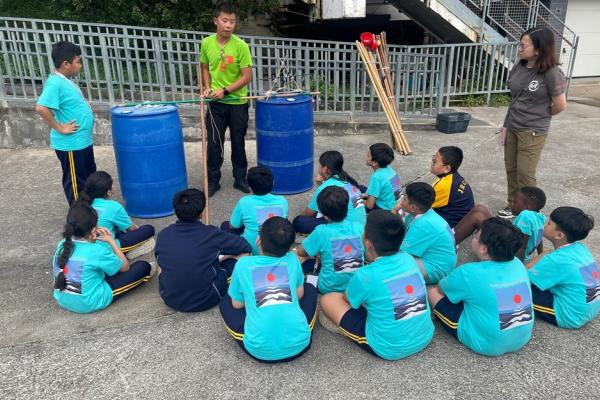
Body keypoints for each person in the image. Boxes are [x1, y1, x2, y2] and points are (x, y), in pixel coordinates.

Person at [319, 210, 434, 360]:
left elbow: (347, 299)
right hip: (425, 335)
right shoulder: (408, 259)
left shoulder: (366, 274)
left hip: (388, 346)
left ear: (368, 243)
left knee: (328, 299)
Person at [428, 218, 534, 356]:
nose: (473, 237)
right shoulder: (518, 264)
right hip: (522, 339)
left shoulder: (468, 272)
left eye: (476, 236)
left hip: (488, 344)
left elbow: (441, 290)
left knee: (432, 293)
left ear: (484, 249)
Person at [219, 217, 318, 363]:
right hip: (300, 343)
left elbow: (237, 305)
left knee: (225, 303)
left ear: (258, 240)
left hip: (259, 350)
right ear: (290, 247)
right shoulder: (293, 260)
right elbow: (299, 295)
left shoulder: (243, 264)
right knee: (309, 288)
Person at [498, 27, 567, 219]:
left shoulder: (552, 73)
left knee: (525, 172)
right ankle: (513, 205)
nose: (519, 49)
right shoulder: (519, 65)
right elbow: (514, 93)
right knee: (511, 168)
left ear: (538, 49)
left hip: (533, 130)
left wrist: (540, 116)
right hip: (512, 124)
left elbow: (560, 105)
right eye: (519, 45)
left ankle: (530, 212)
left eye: (523, 46)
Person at [155, 188, 251, 312]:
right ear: (201, 212)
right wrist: (227, 256)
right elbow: (245, 246)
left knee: (162, 264)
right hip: (206, 300)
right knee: (244, 256)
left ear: (175, 211)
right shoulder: (211, 234)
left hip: (169, 298)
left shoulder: (163, 235)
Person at [52, 203, 155, 313]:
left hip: (62, 299)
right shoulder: (97, 250)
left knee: (97, 269)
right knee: (143, 267)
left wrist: (91, 237)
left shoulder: (62, 245)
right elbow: (125, 267)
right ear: (93, 230)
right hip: (90, 302)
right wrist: (111, 241)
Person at [200, 2, 253, 197]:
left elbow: (247, 77)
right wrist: (207, 87)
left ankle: (240, 178)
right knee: (215, 143)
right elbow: (204, 67)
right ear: (216, 21)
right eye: (225, 20)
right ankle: (213, 181)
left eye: (232, 21)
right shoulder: (206, 43)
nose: (229, 25)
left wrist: (225, 90)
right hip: (215, 104)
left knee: (238, 142)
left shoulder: (241, 46)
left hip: (238, 103)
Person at [36, 41, 96, 205]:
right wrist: (60, 128)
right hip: (71, 144)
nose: (80, 66)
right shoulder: (54, 83)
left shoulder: (66, 81)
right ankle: (78, 214)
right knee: (76, 183)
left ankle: (89, 210)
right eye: (77, 62)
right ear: (66, 64)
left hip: (82, 142)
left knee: (88, 178)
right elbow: (41, 108)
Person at [527, 207, 599, 328]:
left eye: (549, 224)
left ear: (559, 235)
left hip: (570, 314)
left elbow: (522, 278)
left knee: (515, 293)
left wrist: (540, 257)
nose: (544, 225)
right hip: (591, 306)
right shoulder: (580, 248)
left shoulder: (555, 260)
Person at [295, 186, 365, 293]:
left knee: (303, 259)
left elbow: (301, 252)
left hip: (328, 286)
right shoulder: (358, 227)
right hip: (355, 284)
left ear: (325, 215)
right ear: (347, 207)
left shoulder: (321, 231)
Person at [79, 171, 155, 259]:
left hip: (85, 247)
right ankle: (125, 253)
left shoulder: (81, 204)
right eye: (112, 184)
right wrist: (138, 232)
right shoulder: (113, 206)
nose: (114, 186)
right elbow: (132, 229)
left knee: (117, 228)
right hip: (106, 248)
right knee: (149, 229)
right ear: (108, 192)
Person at [293, 151, 366, 234]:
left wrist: (300, 216)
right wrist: (320, 184)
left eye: (320, 165)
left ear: (325, 169)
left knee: (299, 221)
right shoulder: (348, 182)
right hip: (360, 225)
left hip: (344, 228)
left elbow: (309, 213)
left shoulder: (324, 187)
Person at [220, 166, 288, 255]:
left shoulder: (244, 202)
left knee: (225, 226)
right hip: (276, 247)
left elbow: (233, 226)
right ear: (273, 183)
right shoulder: (282, 201)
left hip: (251, 249)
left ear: (249, 187)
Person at [399, 182, 457, 284]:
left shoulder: (422, 224)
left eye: (404, 198)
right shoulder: (426, 213)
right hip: (443, 261)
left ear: (413, 207)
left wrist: (393, 212)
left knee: (393, 262)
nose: (401, 201)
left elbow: (401, 252)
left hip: (438, 269)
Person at [429, 146, 474, 228]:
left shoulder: (444, 186)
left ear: (447, 168)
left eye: (434, 161)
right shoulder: (454, 176)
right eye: (433, 158)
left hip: (450, 228)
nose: (432, 163)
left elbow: (421, 205)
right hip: (462, 220)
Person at [363, 143, 403, 211]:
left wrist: (359, 200)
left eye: (368, 155)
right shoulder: (389, 169)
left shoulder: (377, 177)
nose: (366, 157)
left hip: (385, 209)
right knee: (360, 189)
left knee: (352, 198)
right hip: (394, 204)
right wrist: (366, 195)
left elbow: (369, 205)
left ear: (374, 163)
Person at [511, 186, 546, 262]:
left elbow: (522, 246)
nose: (512, 204)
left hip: (515, 257)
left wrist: (519, 266)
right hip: (525, 256)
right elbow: (539, 237)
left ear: (527, 207)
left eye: (515, 202)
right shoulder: (540, 216)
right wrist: (540, 255)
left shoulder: (525, 215)